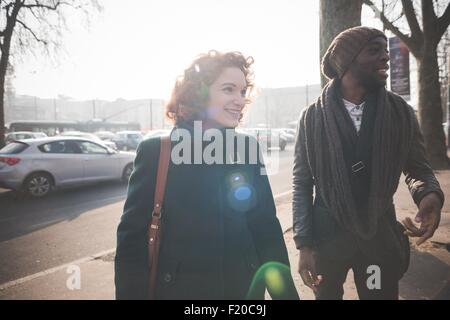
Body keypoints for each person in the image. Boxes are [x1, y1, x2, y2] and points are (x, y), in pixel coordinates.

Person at [115, 50, 299, 300]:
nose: (240, 99)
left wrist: (286, 296)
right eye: (228, 89)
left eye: (243, 91)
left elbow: (265, 227)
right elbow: (131, 240)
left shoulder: (247, 148)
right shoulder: (156, 151)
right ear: (198, 94)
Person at [292, 26, 444, 300]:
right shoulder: (312, 118)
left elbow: (418, 169)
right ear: (347, 61)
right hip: (327, 242)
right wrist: (304, 245)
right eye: (374, 51)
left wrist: (429, 196)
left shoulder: (400, 113)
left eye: (386, 51)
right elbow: (302, 184)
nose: (386, 58)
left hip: (378, 239)